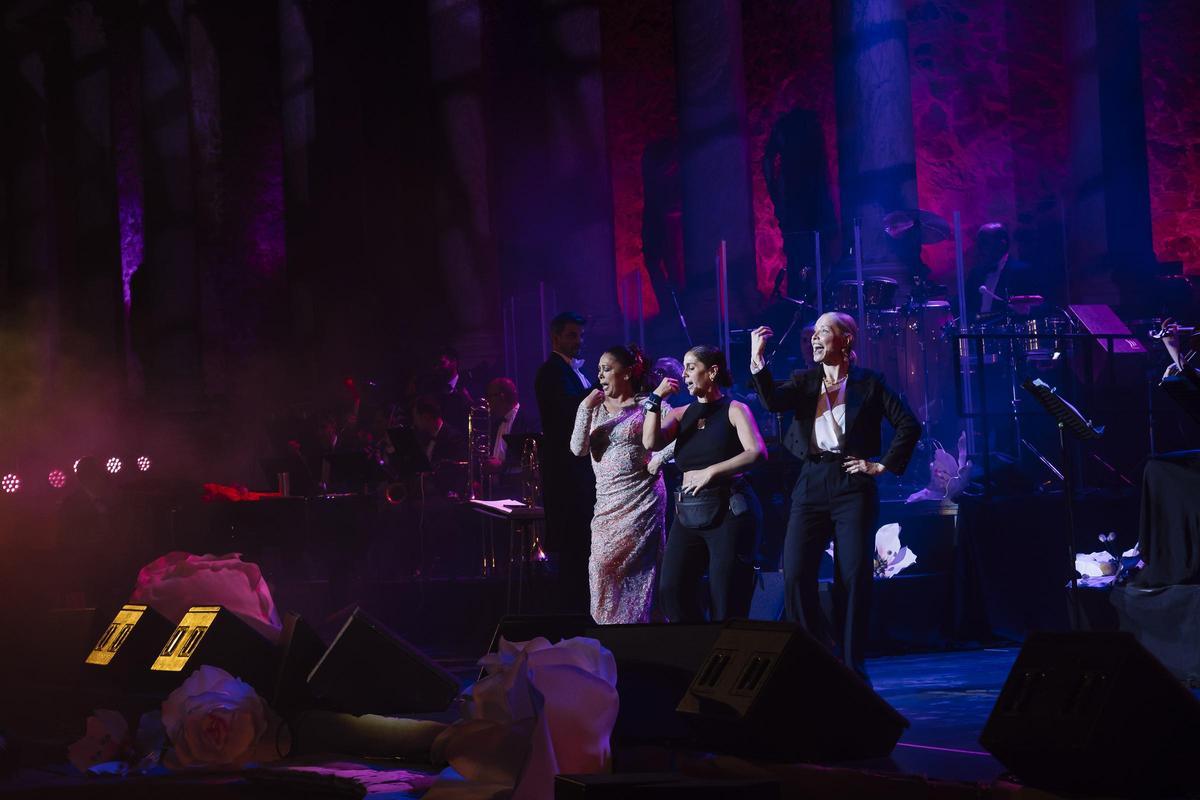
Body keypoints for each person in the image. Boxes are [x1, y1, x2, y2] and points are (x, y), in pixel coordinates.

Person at [750, 312, 920, 681]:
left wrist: (881, 466)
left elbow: (909, 424)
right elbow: (771, 401)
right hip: (811, 480)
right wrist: (757, 359)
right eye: (813, 333)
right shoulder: (805, 380)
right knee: (794, 572)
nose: (814, 338)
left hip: (851, 482)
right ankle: (817, 652)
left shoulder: (870, 383)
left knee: (853, 576)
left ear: (846, 340)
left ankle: (852, 663)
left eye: (824, 332)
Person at [644, 345, 767, 622]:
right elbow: (650, 442)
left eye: (691, 367)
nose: (684, 374)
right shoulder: (680, 414)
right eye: (684, 368)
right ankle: (698, 647)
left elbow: (757, 451)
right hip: (689, 511)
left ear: (712, 372)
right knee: (671, 589)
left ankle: (727, 651)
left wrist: (712, 471)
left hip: (728, 510)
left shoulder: (735, 410)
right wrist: (655, 399)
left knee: (725, 595)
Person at [570, 344, 666, 624]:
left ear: (627, 373)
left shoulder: (648, 404)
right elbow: (578, 448)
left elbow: (677, 435)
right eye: (599, 369)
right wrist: (584, 407)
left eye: (607, 368)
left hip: (641, 500)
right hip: (607, 504)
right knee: (600, 567)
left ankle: (638, 635)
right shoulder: (594, 407)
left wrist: (658, 460)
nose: (600, 374)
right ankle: (606, 635)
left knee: (638, 571)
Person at [535, 311, 596, 613]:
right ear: (555, 337)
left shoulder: (570, 371)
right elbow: (571, 411)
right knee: (574, 547)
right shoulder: (551, 372)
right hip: (567, 474)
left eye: (581, 336)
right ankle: (573, 618)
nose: (579, 341)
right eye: (572, 335)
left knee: (582, 547)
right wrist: (603, 385)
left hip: (578, 470)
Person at [482, 377, 532, 498]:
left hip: (519, 492)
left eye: (489, 396)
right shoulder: (495, 423)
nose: (487, 401)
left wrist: (501, 466)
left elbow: (532, 459)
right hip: (496, 492)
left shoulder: (528, 419)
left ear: (502, 396)